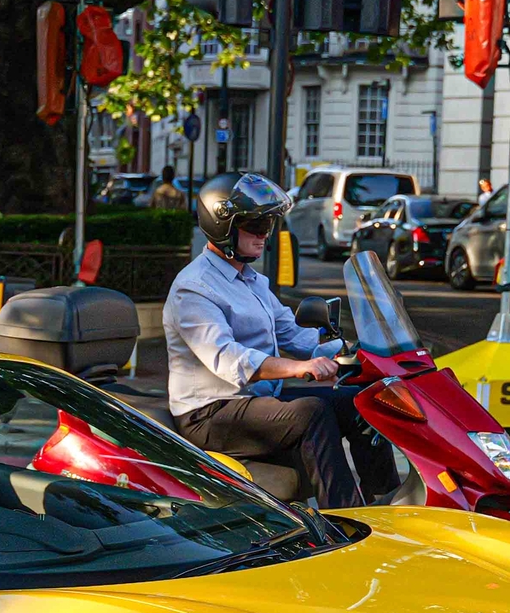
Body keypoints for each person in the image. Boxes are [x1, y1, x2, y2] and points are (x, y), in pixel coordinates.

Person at [163, 171, 393, 509]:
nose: (264, 236)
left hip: (253, 402)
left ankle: (389, 502)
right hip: (209, 413)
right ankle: (344, 517)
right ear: (222, 226)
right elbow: (230, 360)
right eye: (256, 227)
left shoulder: (253, 281)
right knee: (310, 412)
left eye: (268, 226)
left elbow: (294, 334)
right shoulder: (194, 288)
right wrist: (300, 368)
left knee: (360, 400)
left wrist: (354, 352)